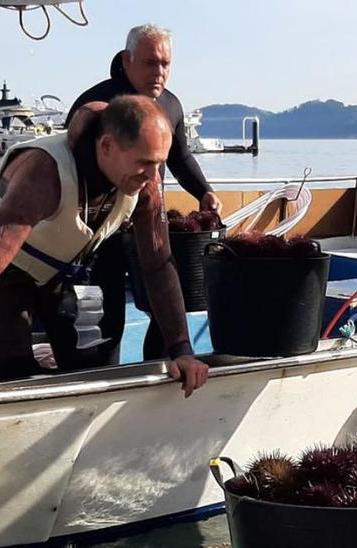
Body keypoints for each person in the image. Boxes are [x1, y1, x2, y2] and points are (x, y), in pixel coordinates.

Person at [0, 96, 210, 400]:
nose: (153, 175)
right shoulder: (44, 174)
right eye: (145, 162)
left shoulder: (145, 179)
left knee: (88, 368)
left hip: (68, 264)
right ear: (107, 146)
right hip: (7, 268)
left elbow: (157, 263)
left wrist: (181, 349)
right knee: (14, 372)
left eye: (159, 164)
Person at [69, 24, 220, 360]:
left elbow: (180, 156)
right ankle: (101, 376)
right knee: (104, 319)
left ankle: (158, 370)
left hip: (145, 218)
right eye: (151, 63)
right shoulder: (97, 106)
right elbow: (72, 167)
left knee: (164, 299)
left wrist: (204, 191)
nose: (160, 72)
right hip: (100, 228)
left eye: (166, 64)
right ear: (127, 60)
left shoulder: (171, 105)